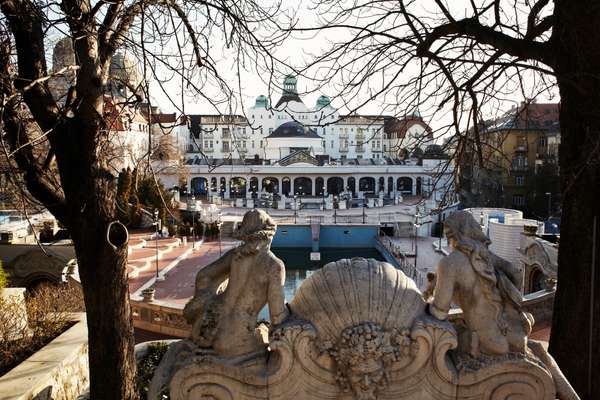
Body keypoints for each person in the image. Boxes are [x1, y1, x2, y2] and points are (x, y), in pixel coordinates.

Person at [183, 209, 287, 357]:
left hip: (206, 328)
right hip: (235, 338)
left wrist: (205, 299)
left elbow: (204, 276)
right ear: (269, 236)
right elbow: (277, 315)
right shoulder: (274, 266)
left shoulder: (235, 256)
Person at [428, 211, 531, 356]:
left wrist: (427, 302)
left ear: (451, 235)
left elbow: (439, 313)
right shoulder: (484, 255)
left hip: (485, 341)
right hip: (514, 334)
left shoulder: (449, 263)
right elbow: (516, 274)